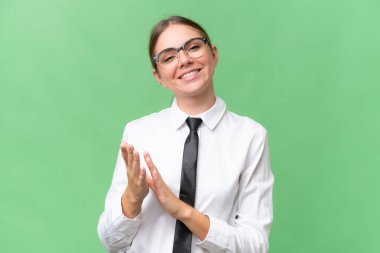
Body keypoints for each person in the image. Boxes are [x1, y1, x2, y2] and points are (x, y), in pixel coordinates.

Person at [97, 16, 274, 253]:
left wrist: (184, 212)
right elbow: (111, 241)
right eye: (169, 57)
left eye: (193, 47)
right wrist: (132, 197)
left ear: (213, 54)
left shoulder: (250, 137)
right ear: (158, 76)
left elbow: (255, 246)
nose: (185, 60)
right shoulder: (138, 133)